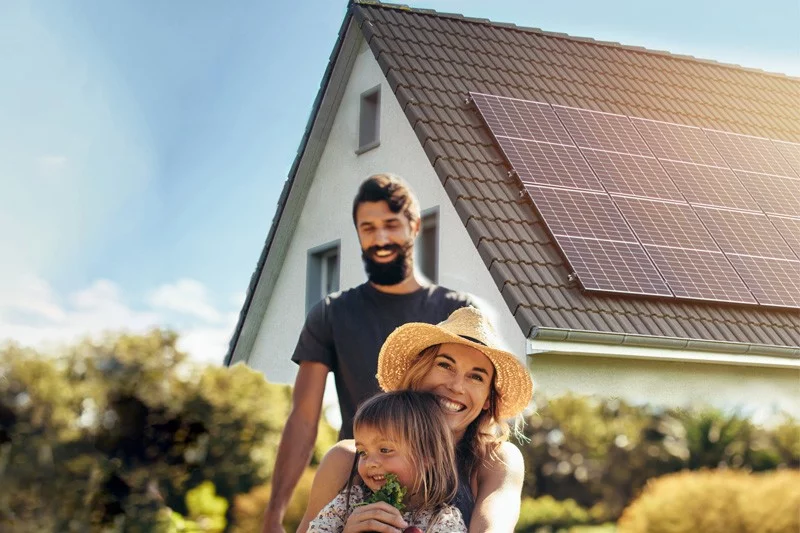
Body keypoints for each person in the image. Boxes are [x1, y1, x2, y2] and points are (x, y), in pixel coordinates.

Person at [263, 174, 475, 533]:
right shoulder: (331, 313)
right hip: (358, 481)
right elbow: (303, 417)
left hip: (440, 482)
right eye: (368, 227)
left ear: (414, 226)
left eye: (391, 225)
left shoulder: (453, 309)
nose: (380, 238)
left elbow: (473, 393)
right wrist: (274, 514)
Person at [298, 306, 534, 533]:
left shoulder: (495, 460)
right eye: (445, 365)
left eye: (476, 377)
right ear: (417, 372)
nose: (456, 386)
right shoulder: (345, 461)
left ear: (487, 400)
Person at [307, 390, 467, 533]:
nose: (370, 463)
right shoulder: (349, 503)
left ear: (427, 455)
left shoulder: (442, 519)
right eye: (363, 452)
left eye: (384, 450)